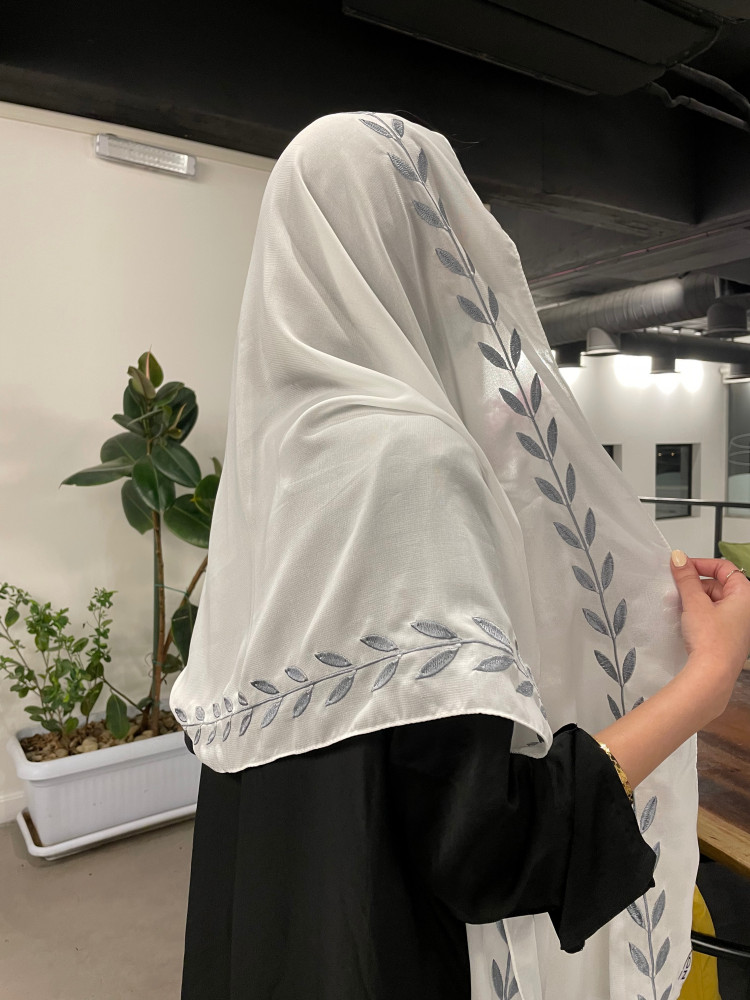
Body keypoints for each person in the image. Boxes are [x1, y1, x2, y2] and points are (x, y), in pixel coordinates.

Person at [169, 111, 750, 1000]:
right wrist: (707, 680)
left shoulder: (280, 460)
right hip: (385, 950)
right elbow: (490, 846)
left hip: (278, 922)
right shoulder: (411, 460)